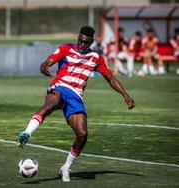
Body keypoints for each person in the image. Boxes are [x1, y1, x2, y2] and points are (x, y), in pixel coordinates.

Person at [18, 26, 135, 182]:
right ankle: (27, 133)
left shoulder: (96, 57)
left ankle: (66, 167)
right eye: (80, 40)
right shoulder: (66, 49)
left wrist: (125, 95)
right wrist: (45, 66)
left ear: (91, 42)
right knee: (50, 105)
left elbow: (111, 78)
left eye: (86, 42)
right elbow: (46, 62)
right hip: (60, 87)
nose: (82, 44)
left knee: (82, 134)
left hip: (76, 96)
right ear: (78, 38)